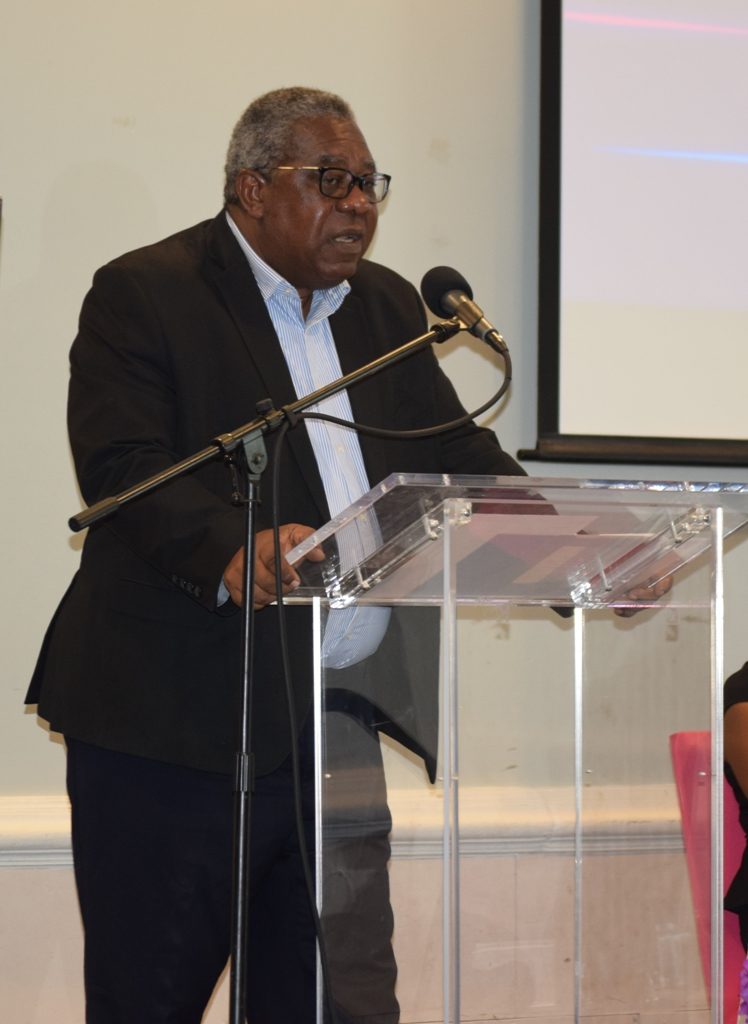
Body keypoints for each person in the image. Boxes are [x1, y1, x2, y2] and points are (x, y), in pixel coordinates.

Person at [26, 86, 525, 1023]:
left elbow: (454, 451)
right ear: (252, 190)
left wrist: (564, 543)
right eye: (331, 180)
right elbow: (125, 468)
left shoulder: (385, 305)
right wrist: (232, 546)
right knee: (151, 999)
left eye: (369, 183)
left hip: (334, 725)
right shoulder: (148, 292)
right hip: (175, 723)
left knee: (339, 1002)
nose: (360, 204)